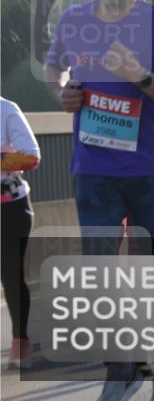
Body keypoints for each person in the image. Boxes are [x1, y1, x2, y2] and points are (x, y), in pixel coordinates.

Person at [44, 0, 154, 399]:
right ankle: (122, 364)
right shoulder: (73, 21)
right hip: (94, 166)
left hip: (152, 167)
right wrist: (62, 94)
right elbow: (55, 72)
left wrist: (142, 78)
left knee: (150, 266)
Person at [2, 98, 40, 370]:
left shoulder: (6, 110)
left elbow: (31, 156)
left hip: (10, 208)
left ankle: (20, 342)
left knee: (11, 275)